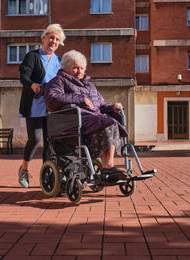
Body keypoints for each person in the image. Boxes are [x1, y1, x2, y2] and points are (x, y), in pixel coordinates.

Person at [44, 50, 128, 180]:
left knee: (110, 121)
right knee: (107, 122)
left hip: (94, 120)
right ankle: (109, 167)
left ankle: (107, 167)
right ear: (66, 68)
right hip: (74, 122)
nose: (79, 71)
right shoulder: (58, 81)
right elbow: (51, 98)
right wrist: (80, 99)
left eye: (82, 68)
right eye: (75, 68)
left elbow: (100, 105)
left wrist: (112, 107)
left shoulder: (90, 86)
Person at [18, 24, 66, 188]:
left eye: (57, 39)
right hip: (35, 105)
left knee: (49, 142)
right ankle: (24, 169)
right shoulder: (32, 56)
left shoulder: (59, 61)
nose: (53, 41)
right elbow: (24, 75)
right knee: (35, 139)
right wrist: (33, 85)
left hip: (53, 107)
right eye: (51, 37)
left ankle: (47, 176)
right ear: (44, 38)